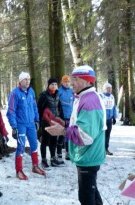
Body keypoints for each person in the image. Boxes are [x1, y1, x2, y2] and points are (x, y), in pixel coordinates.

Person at [45, 65, 106, 205]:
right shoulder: (84, 97)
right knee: (91, 195)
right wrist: (65, 126)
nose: (72, 82)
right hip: (86, 155)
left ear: (88, 81)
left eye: (76, 79)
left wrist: (63, 131)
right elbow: (81, 126)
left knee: (86, 199)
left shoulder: (90, 101)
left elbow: (85, 135)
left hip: (88, 155)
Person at [7, 72, 45, 180]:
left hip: (31, 123)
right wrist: (14, 127)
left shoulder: (31, 91)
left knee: (34, 144)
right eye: (25, 79)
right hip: (20, 124)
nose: (27, 81)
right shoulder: (15, 93)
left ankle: (35, 166)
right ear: (20, 81)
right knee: (21, 146)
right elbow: (11, 111)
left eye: (28, 79)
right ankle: (19, 170)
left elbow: (34, 106)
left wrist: (37, 120)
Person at [37, 78, 65, 168]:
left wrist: (61, 119)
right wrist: (41, 120)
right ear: (48, 85)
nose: (54, 86)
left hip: (55, 121)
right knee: (45, 141)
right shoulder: (44, 95)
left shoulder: (57, 95)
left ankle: (53, 159)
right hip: (46, 121)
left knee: (54, 140)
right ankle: (44, 160)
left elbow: (59, 108)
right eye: (52, 84)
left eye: (55, 85)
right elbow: (39, 108)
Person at [58, 75, 74, 160]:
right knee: (61, 134)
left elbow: (75, 102)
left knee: (69, 135)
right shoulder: (59, 91)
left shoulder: (72, 91)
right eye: (65, 82)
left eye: (68, 82)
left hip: (70, 116)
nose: (67, 83)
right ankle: (59, 153)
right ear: (62, 82)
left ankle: (68, 153)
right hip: (62, 117)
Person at [100, 82, 117, 155]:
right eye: (108, 88)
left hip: (109, 118)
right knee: (101, 135)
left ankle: (106, 149)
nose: (110, 90)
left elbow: (113, 107)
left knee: (107, 135)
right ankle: (100, 149)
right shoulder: (101, 96)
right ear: (104, 89)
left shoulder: (112, 97)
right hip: (102, 119)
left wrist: (114, 117)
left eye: (110, 88)